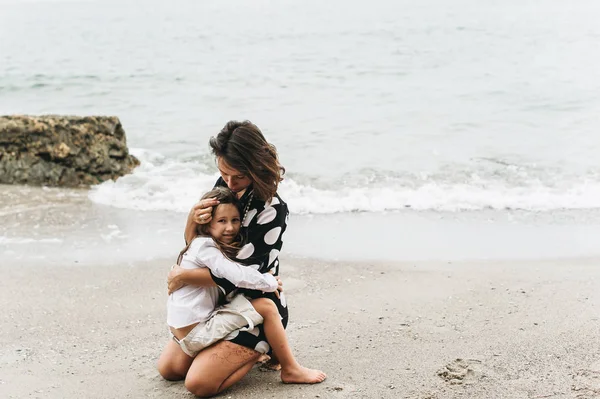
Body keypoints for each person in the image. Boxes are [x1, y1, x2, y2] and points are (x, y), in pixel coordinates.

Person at [158, 121, 326, 397]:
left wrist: (184, 277)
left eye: (238, 177)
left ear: (257, 167)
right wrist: (192, 219)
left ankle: (266, 349)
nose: (229, 183)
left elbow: (242, 275)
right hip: (215, 303)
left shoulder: (273, 209)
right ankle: (245, 352)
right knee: (170, 369)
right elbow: (197, 248)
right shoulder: (226, 186)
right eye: (223, 174)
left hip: (255, 301)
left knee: (198, 384)